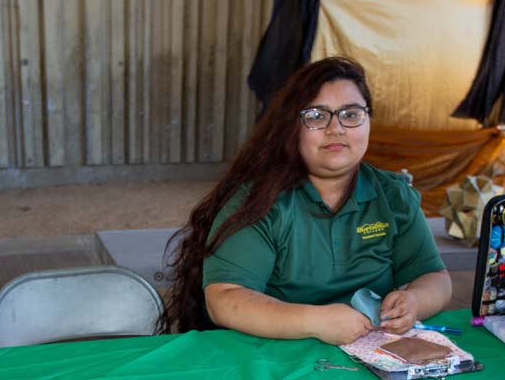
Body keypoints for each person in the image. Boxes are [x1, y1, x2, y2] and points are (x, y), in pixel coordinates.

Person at [159, 56, 451, 344]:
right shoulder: (259, 201)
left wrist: (414, 301)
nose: (335, 128)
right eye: (316, 116)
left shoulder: (394, 195)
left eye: (350, 114)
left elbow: (435, 277)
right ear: (292, 127)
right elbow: (224, 299)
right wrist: (316, 321)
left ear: (368, 121)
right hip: (271, 359)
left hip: (371, 356)